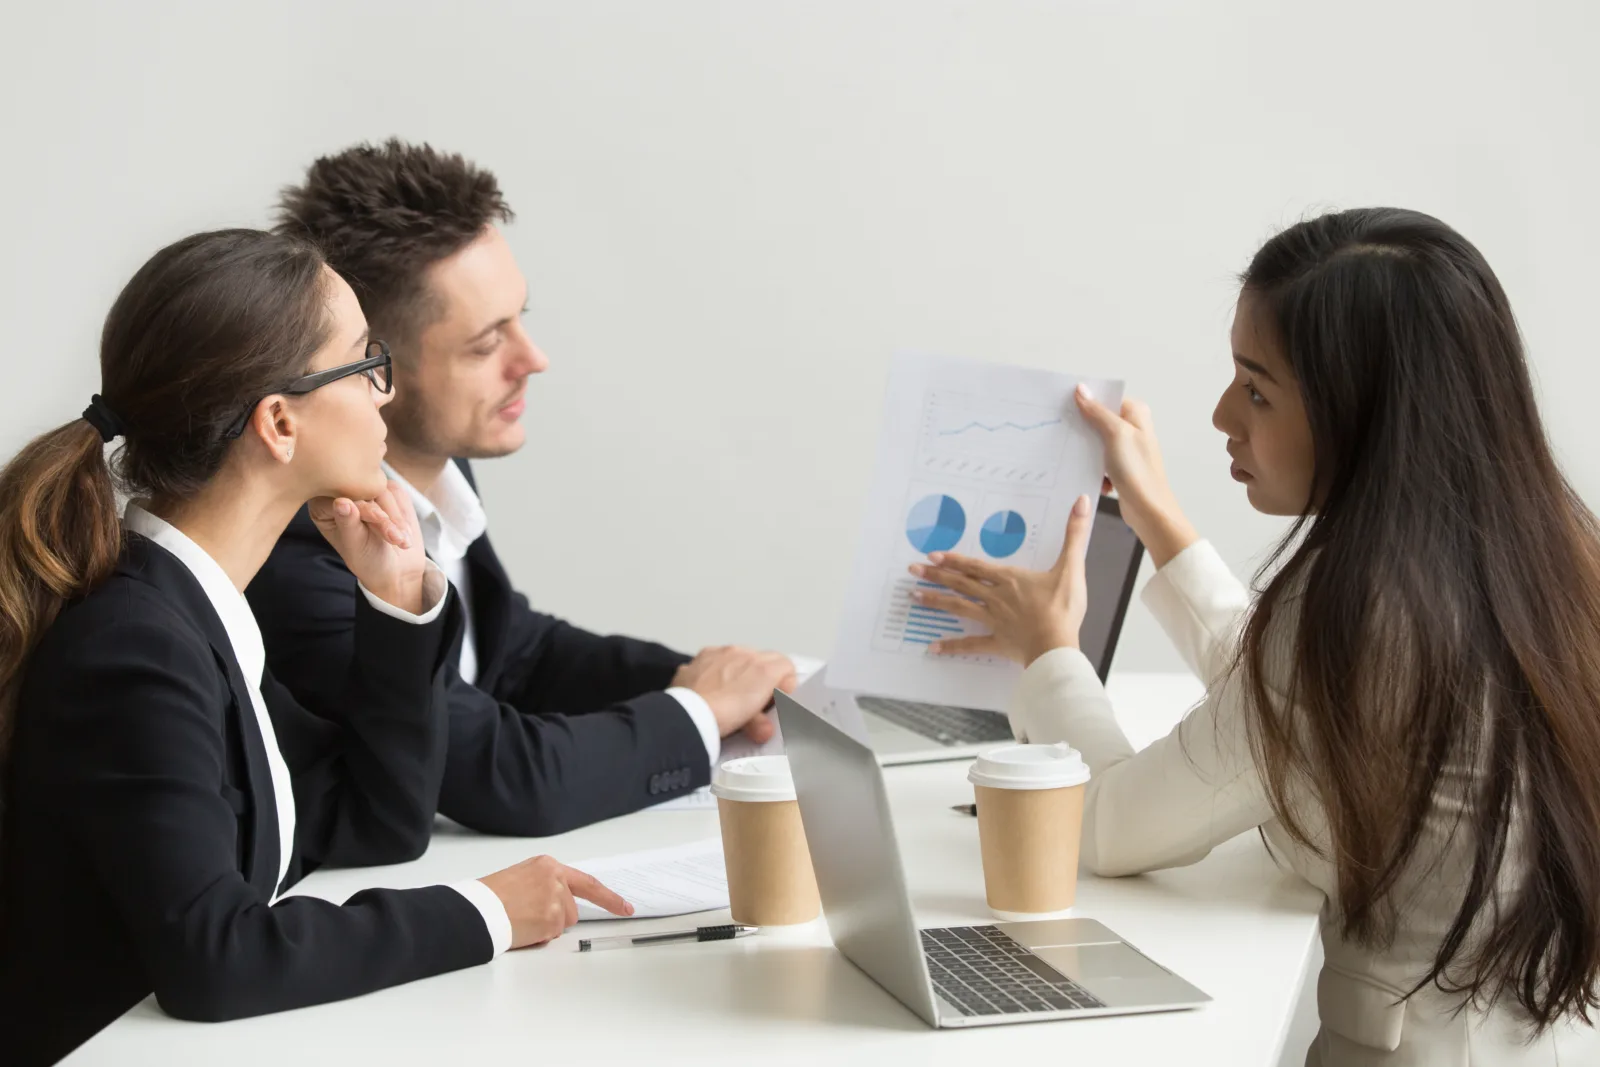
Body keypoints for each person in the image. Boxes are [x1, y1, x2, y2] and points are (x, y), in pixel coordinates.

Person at [909, 208, 1600, 1065]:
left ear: (1362, 416)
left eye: (1257, 388)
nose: (1221, 414)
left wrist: (1050, 652)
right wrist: (1161, 523)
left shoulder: (1355, 612)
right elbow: (1294, 703)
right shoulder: (1550, 559)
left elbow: (1109, 827)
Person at [0, 229, 630, 1067]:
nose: (383, 393)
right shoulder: (134, 651)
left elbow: (377, 818)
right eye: (367, 360)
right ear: (280, 423)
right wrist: (484, 911)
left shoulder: (195, 615)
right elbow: (216, 958)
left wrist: (397, 604)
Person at [250, 140, 795, 836]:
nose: (532, 360)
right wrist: (697, 710)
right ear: (368, 367)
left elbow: (513, 653)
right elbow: (503, 774)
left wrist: (718, 678)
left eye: (521, 320)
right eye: (485, 344)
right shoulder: (300, 544)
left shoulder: (435, 466)